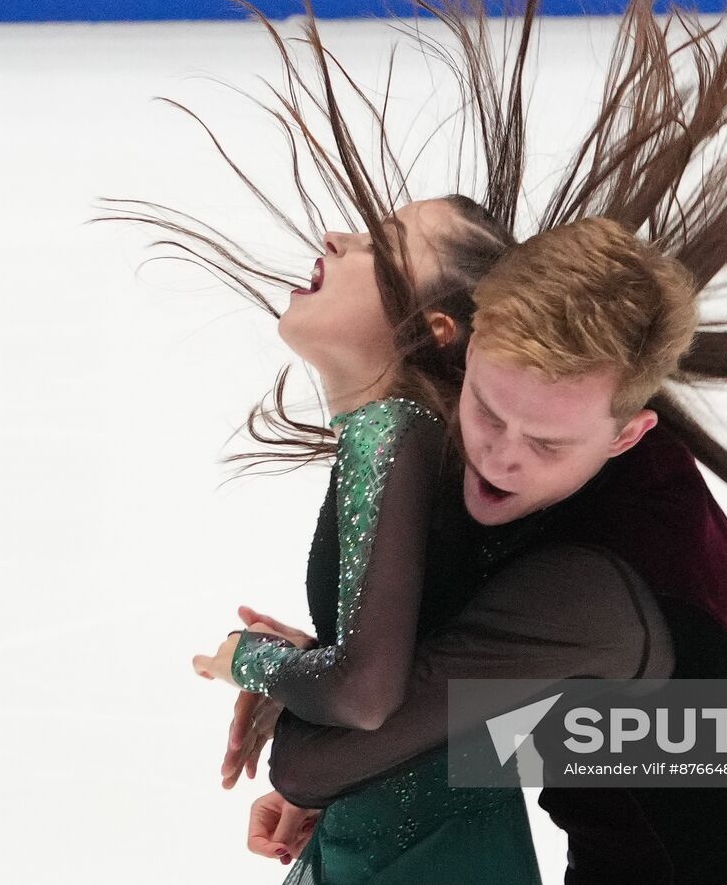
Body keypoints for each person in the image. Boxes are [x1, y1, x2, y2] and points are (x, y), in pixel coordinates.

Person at [100, 0, 727, 879]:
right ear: (464, 354)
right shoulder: (516, 451)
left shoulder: (589, 583)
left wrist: (294, 688)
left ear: (630, 436)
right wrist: (349, 688)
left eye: (544, 444)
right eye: (487, 413)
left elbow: (319, 755)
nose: (501, 456)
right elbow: (485, 702)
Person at [185, 195, 550, 883]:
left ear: (433, 328)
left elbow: (365, 693)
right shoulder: (407, 437)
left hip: (418, 857)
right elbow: (412, 664)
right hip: (400, 838)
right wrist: (311, 685)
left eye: (379, 245)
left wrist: (249, 659)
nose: (334, 236)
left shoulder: (393, 432)